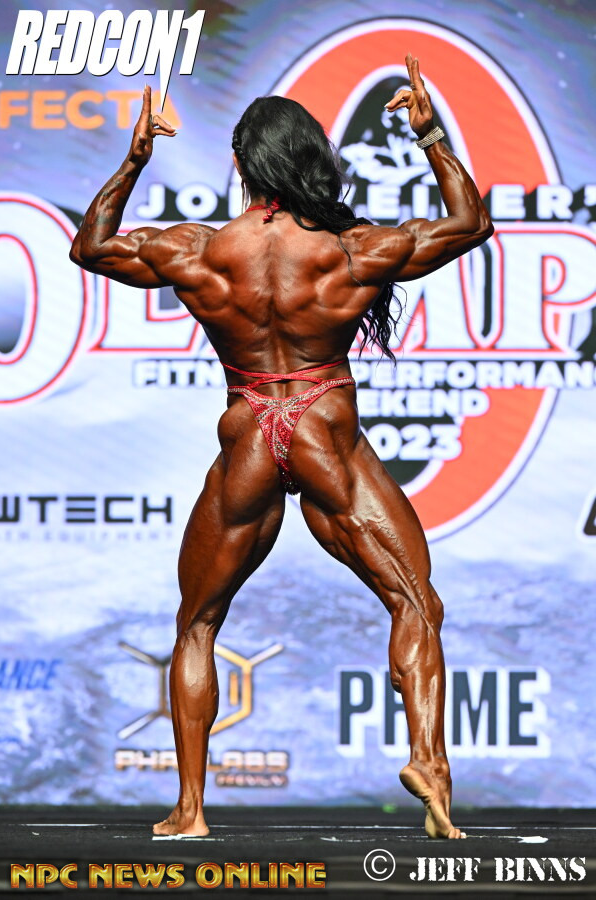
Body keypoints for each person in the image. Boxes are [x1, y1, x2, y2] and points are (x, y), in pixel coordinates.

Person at [70, 54, 493, 840]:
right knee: (414, 602)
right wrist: (431, 136)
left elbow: (91, 248)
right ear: (308, 161)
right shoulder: (350, 251)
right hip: (324, 428)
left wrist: (135, 159)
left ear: (240, 165)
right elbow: (470, 225)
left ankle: (190, 810)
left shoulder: (198, 252)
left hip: (249, 436)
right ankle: (428, 765)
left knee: (198, 624)